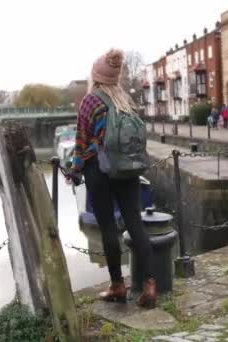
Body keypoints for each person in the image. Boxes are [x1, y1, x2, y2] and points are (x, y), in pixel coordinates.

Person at [66, 48, 157, 308]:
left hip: (99, 170)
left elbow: (81, 141)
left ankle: (118, 285)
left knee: (108, 228)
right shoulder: (125, 101)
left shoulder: (90, 101)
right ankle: (150, 284)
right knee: (135, 223)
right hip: (127, 170)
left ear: (96, 76)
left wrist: (74, 170)